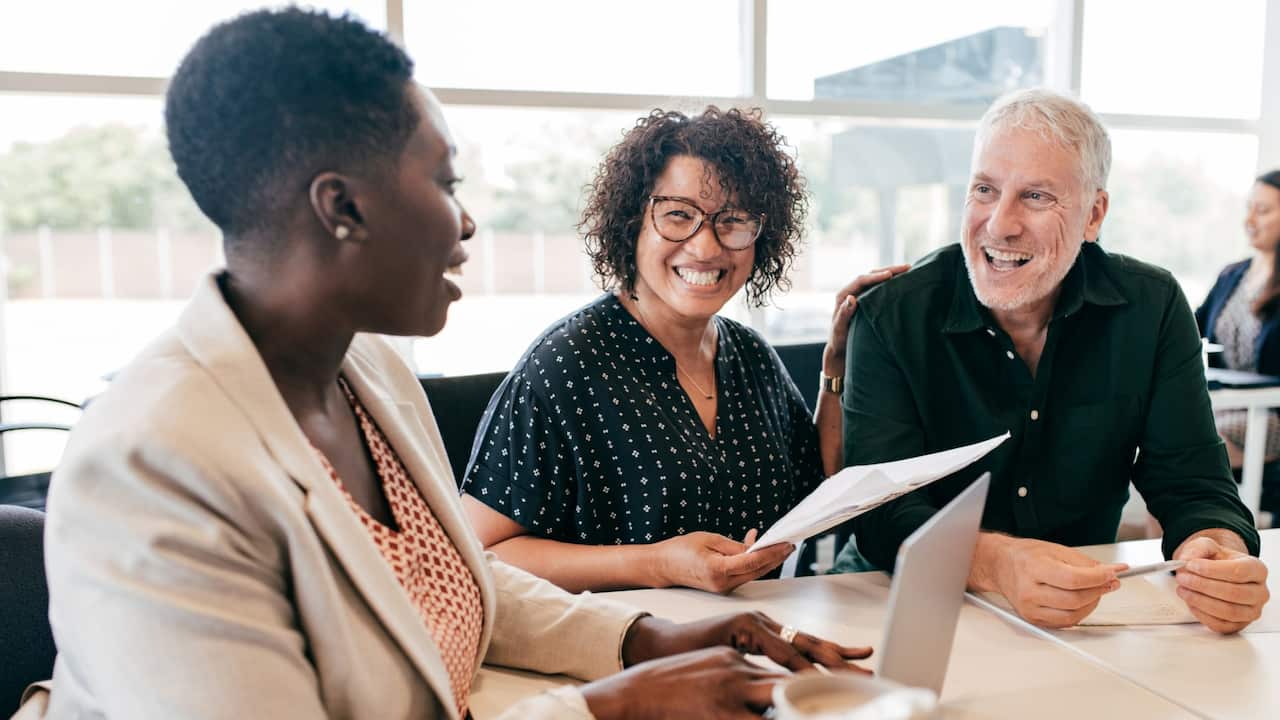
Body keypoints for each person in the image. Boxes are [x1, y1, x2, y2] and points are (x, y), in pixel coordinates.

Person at [18, 10, 873, 720]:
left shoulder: (371, 374)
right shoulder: (150, 460)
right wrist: (608, 705)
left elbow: (467, 579)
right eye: (444, 181)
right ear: (343, 206)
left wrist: (648, 638)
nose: (465, 225)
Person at [836, 88, 1269, 634]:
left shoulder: (1152, 307)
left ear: (1094, 215)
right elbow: (882, 511)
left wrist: (1217, 553)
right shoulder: (892, 316)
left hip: (1079, 609)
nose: (999, 225)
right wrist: (997, 563)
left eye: (1036, 197)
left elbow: (1194, 484)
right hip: (898, 595)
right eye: (984, 190)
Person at [460, 106, 906, 593]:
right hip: (620, 651)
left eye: (732, 220)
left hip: (754, 638)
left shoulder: (750, 355)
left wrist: (836, 367)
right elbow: (481, 553)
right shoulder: (565, 367)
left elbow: (819, 484)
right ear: (632, 223)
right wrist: (656, 564)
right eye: (679, 215)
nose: (707, 247)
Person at [1196, 170, 1280, 481]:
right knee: (1164, 438)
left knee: (1191, 451)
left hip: (1271, 413)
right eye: (1249, 208)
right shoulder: (1233, 275)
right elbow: (1191, 330)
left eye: (1263, 211)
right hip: (1228, 404)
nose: (1250, 220)